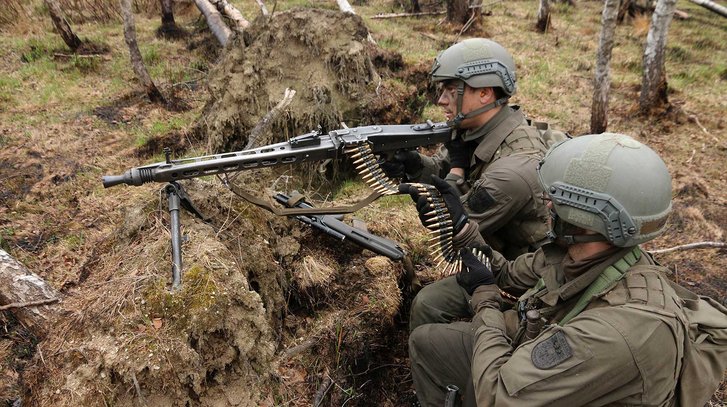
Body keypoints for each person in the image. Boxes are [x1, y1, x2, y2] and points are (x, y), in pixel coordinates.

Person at [400, 133, 726, 406]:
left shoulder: (620, 333)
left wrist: (485, 301)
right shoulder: (584, 253)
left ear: (589, 219)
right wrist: (463, 228)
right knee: (429, 342)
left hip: (545, 383)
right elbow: (510, 274)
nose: (548, 204)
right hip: (556, 353)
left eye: (559, 200)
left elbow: (500, 397)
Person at [382, 38, 556, 332]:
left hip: (525, 274)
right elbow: (449, 167)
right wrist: (416, 166)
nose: (441, 100)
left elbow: (454, 229)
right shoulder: (479, 130)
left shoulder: (513, 169)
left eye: (452, 90)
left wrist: (447, 183)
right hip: (497, 250)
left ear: (486, 93)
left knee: (427, 304)